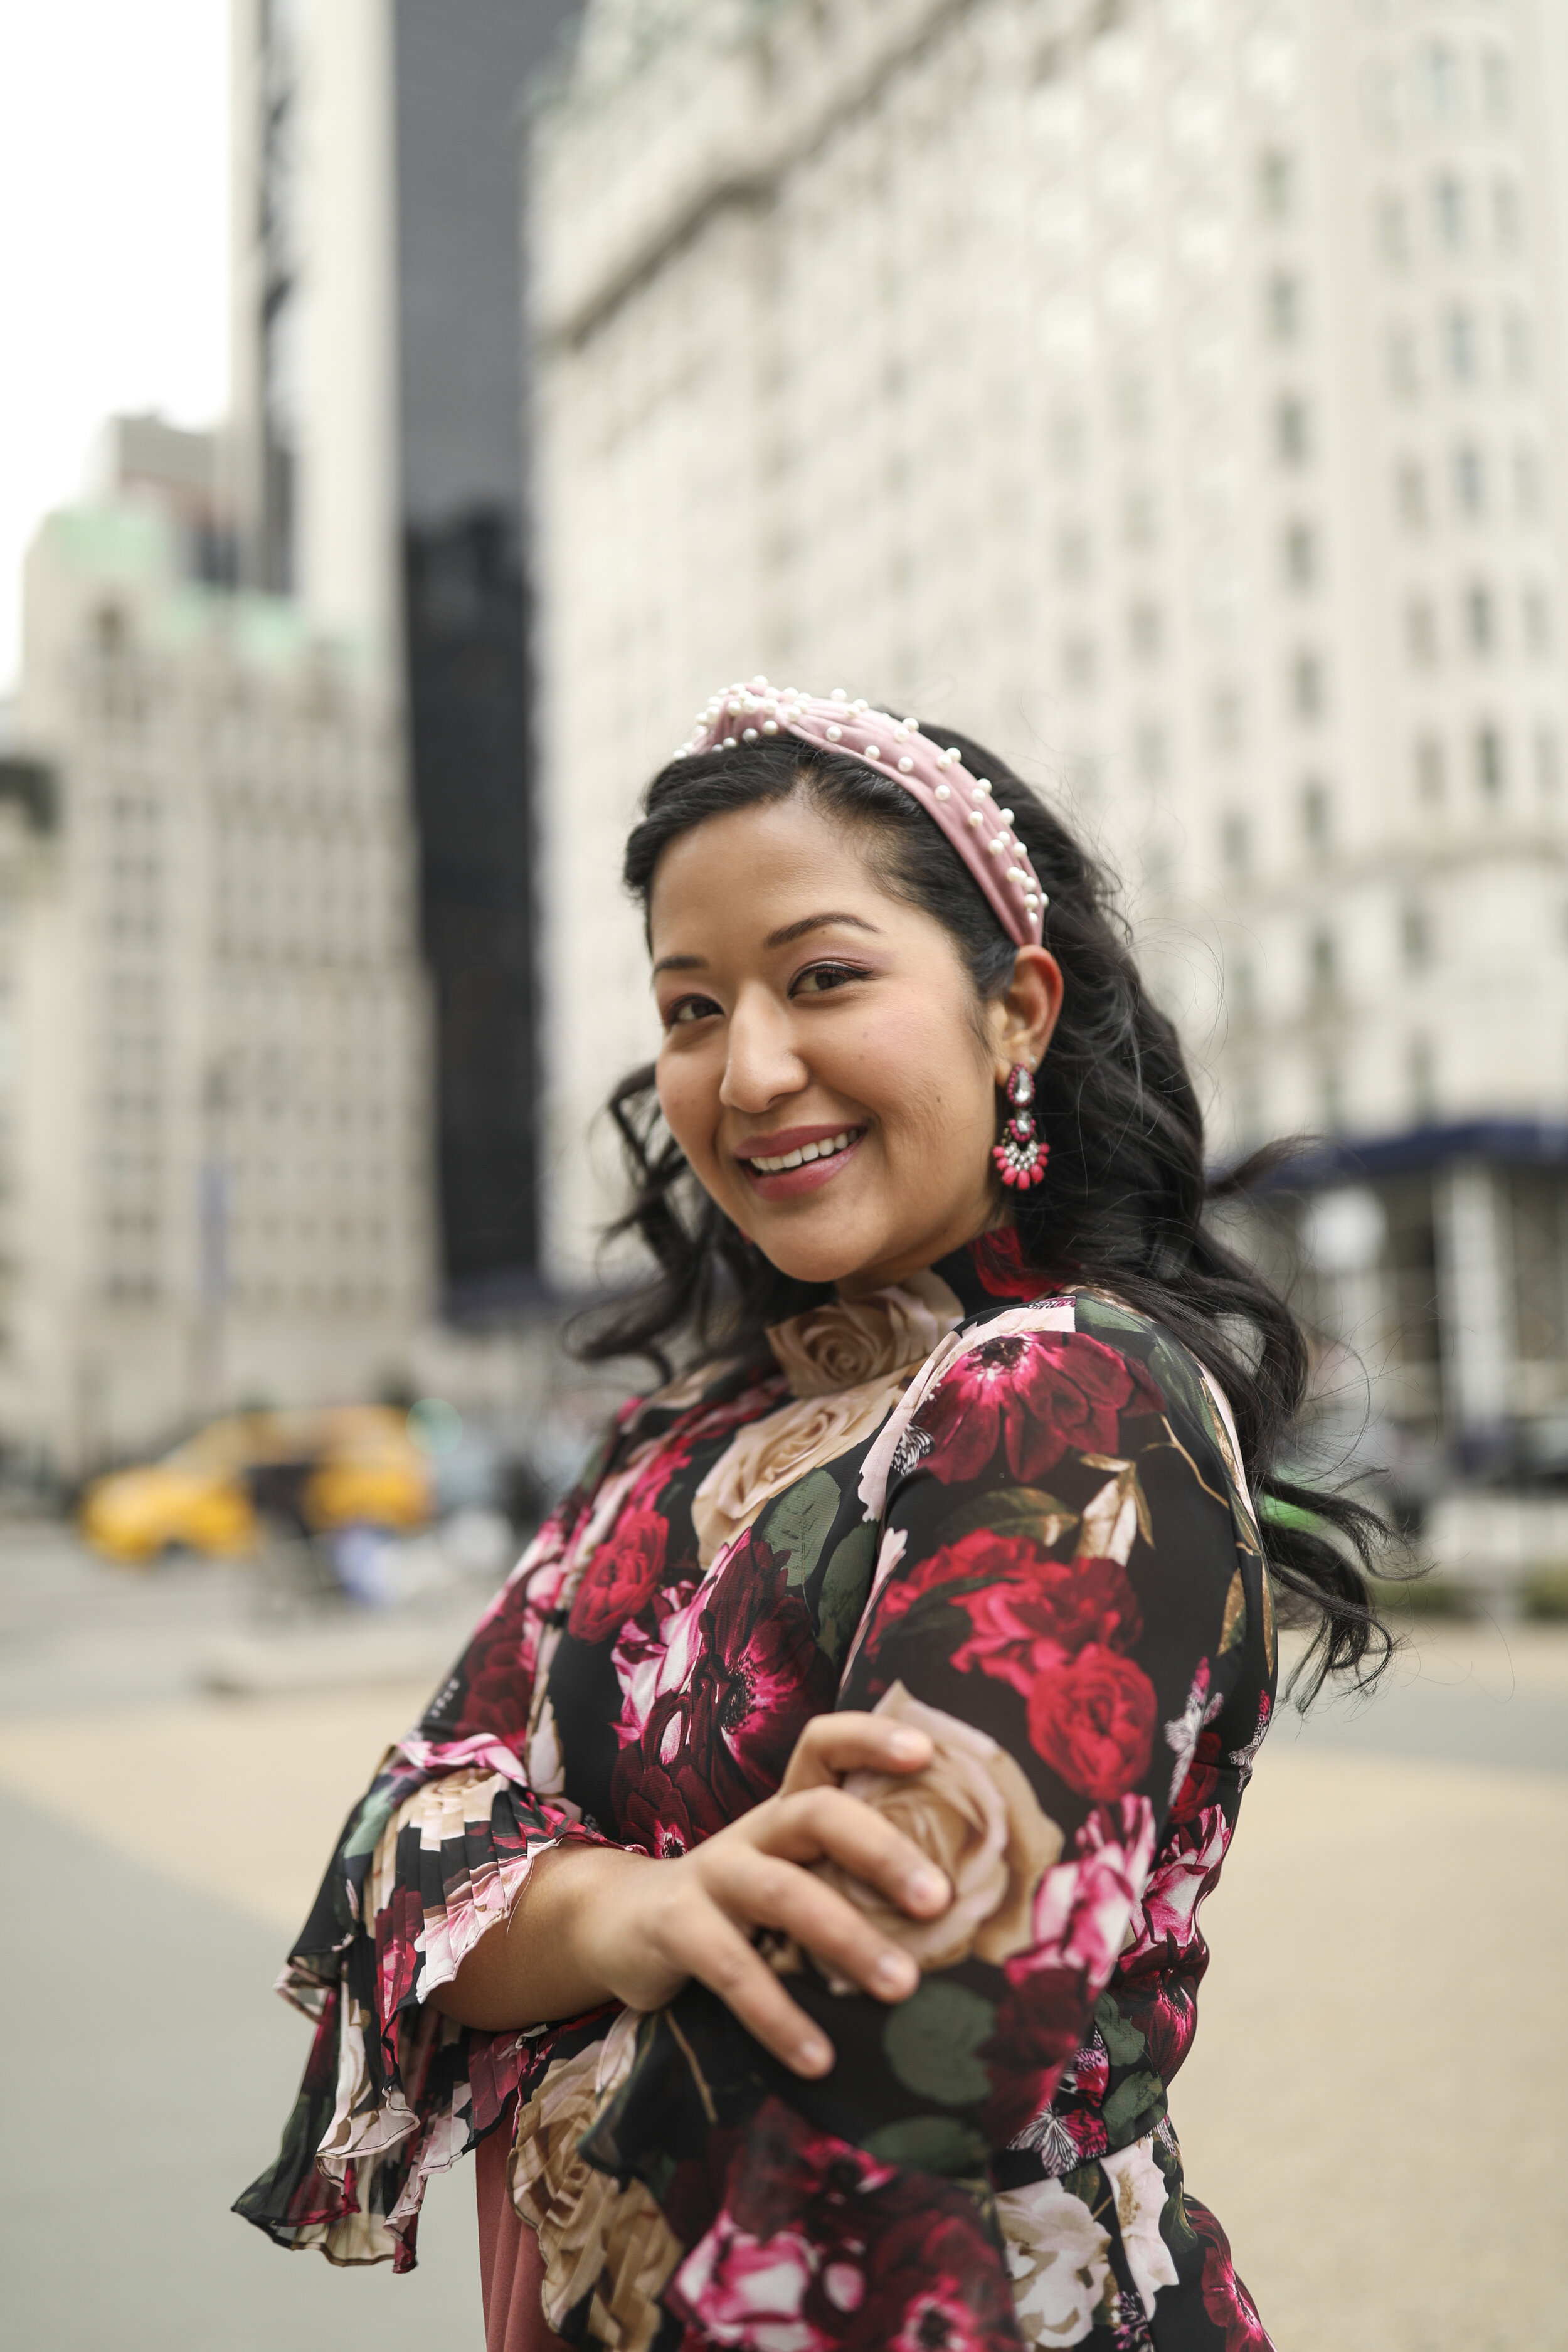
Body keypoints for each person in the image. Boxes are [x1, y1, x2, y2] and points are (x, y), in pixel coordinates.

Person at [238, 684, 1385, 2351]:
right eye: (691, 1007)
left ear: (1016, 1013)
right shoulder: (670, 1441)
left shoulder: (1075, 1397)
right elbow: (384, 1858)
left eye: (825, 977)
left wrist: (532, 1899)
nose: (750, 1067)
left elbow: (880, 2034)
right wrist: (641, 1912)